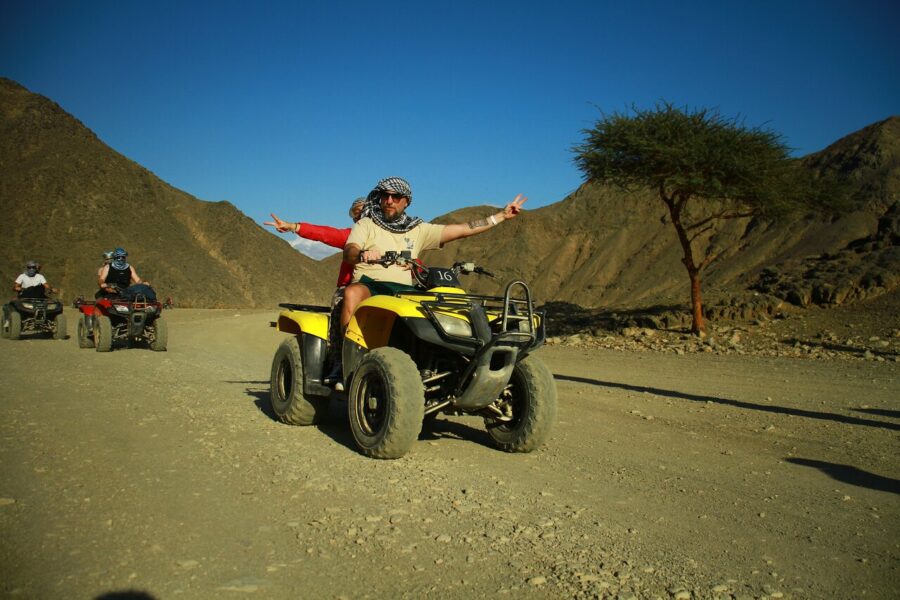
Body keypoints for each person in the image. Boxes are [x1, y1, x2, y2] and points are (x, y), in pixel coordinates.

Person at [332, 176, 525, 389]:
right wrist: (362, 253)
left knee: (438, 310)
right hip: (370, 284)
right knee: (352, 293)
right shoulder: (366, 224)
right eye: (385, 196)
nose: (389, 201)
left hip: (404, 291)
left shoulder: (418, 229)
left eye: (396, 197)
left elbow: (462, 229)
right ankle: (345, 366)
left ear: (406, 201)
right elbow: (349, 252)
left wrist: (501, 216)